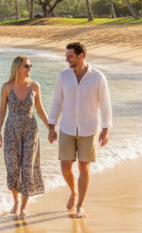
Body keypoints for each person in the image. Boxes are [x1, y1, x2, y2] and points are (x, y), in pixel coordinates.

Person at [46, 42, 112, 219]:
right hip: (67, 127)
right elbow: (57, 102)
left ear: (81, 56)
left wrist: (106, 130)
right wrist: (51, 127)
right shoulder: (63, 76)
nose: (66, 59)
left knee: (84, 166)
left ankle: (80, 206)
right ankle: (73, 191)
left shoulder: (98, 77)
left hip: (89, 128)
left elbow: (105, 105)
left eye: (70, 56)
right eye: (66, 56)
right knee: (65, 165)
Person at [0, 55, 49, 219]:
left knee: (27, 168)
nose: (30, 68)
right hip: (11, 131)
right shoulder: (6, 87)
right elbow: (2, 110)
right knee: (12, 168)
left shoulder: (35, 86)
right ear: (18, 67)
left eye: (30, 65)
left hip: (30, 132)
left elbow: (39, 110)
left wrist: (51, 128)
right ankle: (16, 201)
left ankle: (23, 208)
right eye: (26, 66)